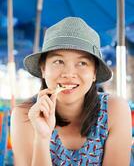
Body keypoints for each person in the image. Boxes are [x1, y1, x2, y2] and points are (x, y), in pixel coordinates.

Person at [11, 17, 132, 166]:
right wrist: (42, 138)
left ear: (94, 72)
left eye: (82, 63)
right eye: (58, 61)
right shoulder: (25, 115)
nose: (69, 74)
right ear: (43, 68)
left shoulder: (114, 110)